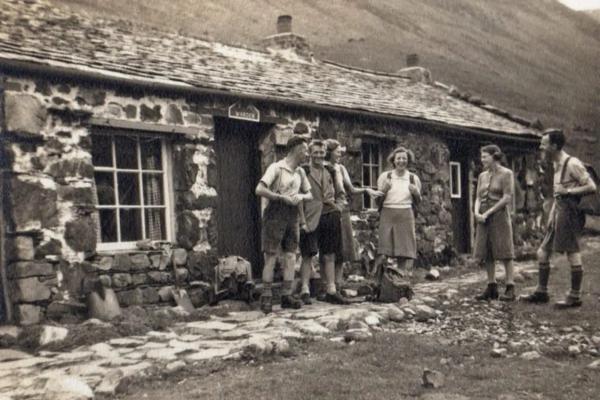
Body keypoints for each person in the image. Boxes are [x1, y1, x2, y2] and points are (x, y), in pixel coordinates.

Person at [521, 129, 596, 308]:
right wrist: (553, 213)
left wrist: (568, 191)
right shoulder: (555, 164)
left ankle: (575, 296)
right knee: (543, 252)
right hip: (559, 210)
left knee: (572, 252)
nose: (541, 147)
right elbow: (557, 193)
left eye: (544, 144)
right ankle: (541, 292)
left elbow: (591, 186)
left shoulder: (572, 164)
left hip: (570, 212)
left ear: (554, 146)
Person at [255, 136, 313, 313]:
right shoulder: (276, 168)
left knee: (290, 255)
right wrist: (280, 197)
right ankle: (266, 297)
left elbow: (309, 194)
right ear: (295, 149)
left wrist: (300, 197)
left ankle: (286, 295)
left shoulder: (300, 172)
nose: (307, 154)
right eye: (304, 150)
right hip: (275, 212)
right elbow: (259, 189)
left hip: (293, 214)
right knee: (271, 255)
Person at [324, 139, 383, 291]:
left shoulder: (341, 168)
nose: (340, 154)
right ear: (329, 152)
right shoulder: (323, 168)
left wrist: (366, 190)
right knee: (329, 249)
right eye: (337, 151)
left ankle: (338, 283)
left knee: (342, 247)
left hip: (342, 209)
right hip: (328, 210)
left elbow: (350, 189)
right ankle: (328, 284)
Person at [299, 140, 348, 304]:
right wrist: (301, 218)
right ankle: (305, 290)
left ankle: (331, 289)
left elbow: (341, 192)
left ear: (325, 153)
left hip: (329, 214)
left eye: (322, 152)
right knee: (307, 253)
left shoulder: (331, 170)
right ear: (310, 153)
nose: (319, 155)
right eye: (316, 152)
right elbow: (298, 194)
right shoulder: (303, 171)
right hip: (310, 215)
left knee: (329, 253)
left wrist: (338, 208)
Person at [472, 144, 516, 301]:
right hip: (483, 218)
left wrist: (488, 213)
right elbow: (477, 197)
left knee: (505, 251)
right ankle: (491, 287)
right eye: (481, 156)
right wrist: (476, 212)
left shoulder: (506, 174)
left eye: (485, 156)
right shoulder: (482, 176)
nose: (482, 159)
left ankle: (510, 287)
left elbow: (507, 197)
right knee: (487, 251)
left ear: (494, 156)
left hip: (499, 216)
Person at [372, 146, 422, 280]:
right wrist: (384, 189)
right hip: (388, 212)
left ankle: (400, 278)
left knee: (403, 250)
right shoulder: (385, 176)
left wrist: (416, 192)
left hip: (405, 213)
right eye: (398, 158)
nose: (401, 161)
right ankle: (382, 279)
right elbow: (377, 201)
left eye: (404, 158)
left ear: (408, 161)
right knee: (384, 249)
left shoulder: (413, 178)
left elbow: (418, 201)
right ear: (393, 160)